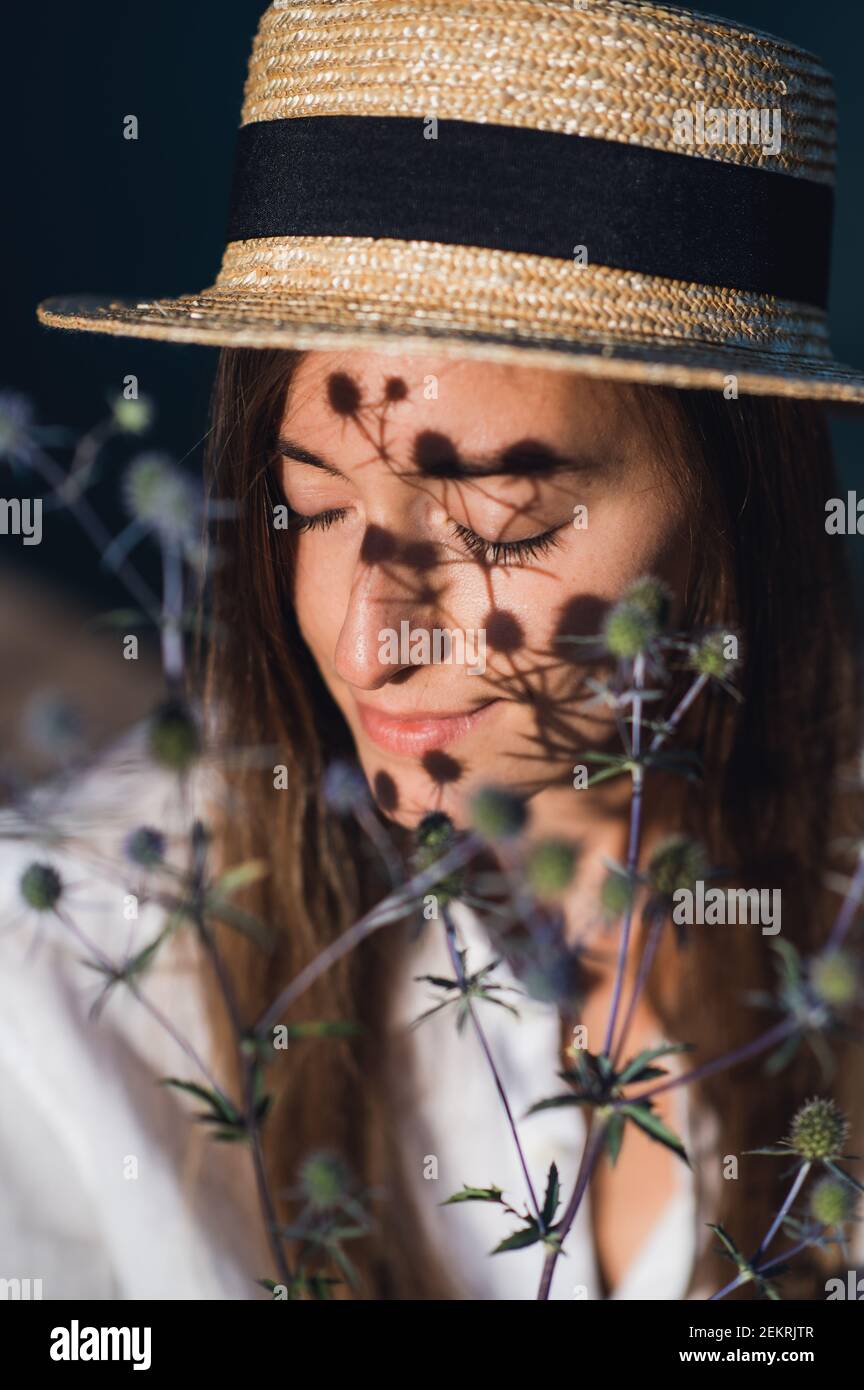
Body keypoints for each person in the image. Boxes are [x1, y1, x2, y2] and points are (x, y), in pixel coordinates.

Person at [12, 0, 864, 1300]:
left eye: (495, 524)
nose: (364, 639)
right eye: (317, 503)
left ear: (736, 509)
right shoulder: (70, 987)